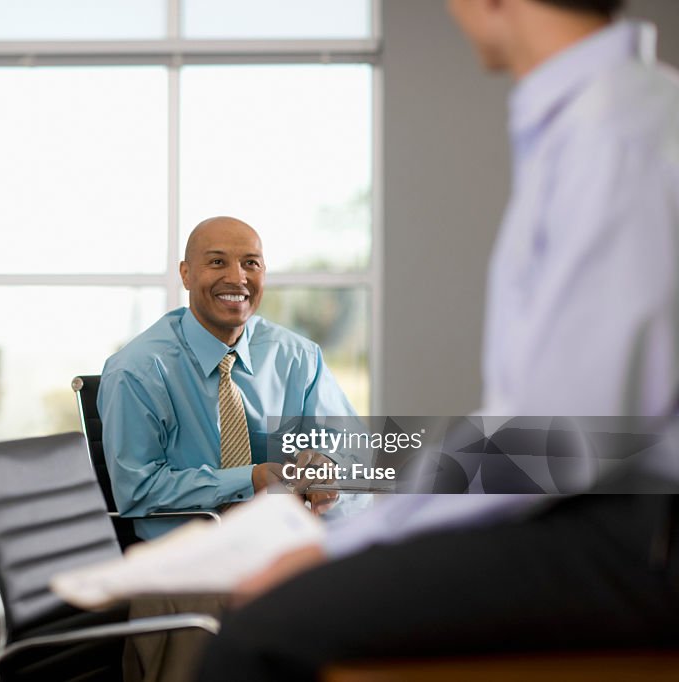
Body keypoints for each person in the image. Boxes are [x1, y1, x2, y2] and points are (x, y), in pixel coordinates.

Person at [197, 1, 679, 680]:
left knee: (256, 638)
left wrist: (353, 542)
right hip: (617, 513)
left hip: (639, 532)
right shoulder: (623, 115)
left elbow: (558, 439)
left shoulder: (611, 136)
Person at [98, 215, 364, 541]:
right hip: (186, 560)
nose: (237, 278)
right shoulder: (136, 371)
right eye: (217, 262)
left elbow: (355, 448)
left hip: (284, 548)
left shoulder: (298, 357)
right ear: (186, 274)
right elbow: (137, 490)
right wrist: (249, 480)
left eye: (250, 263)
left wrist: (329, 465)